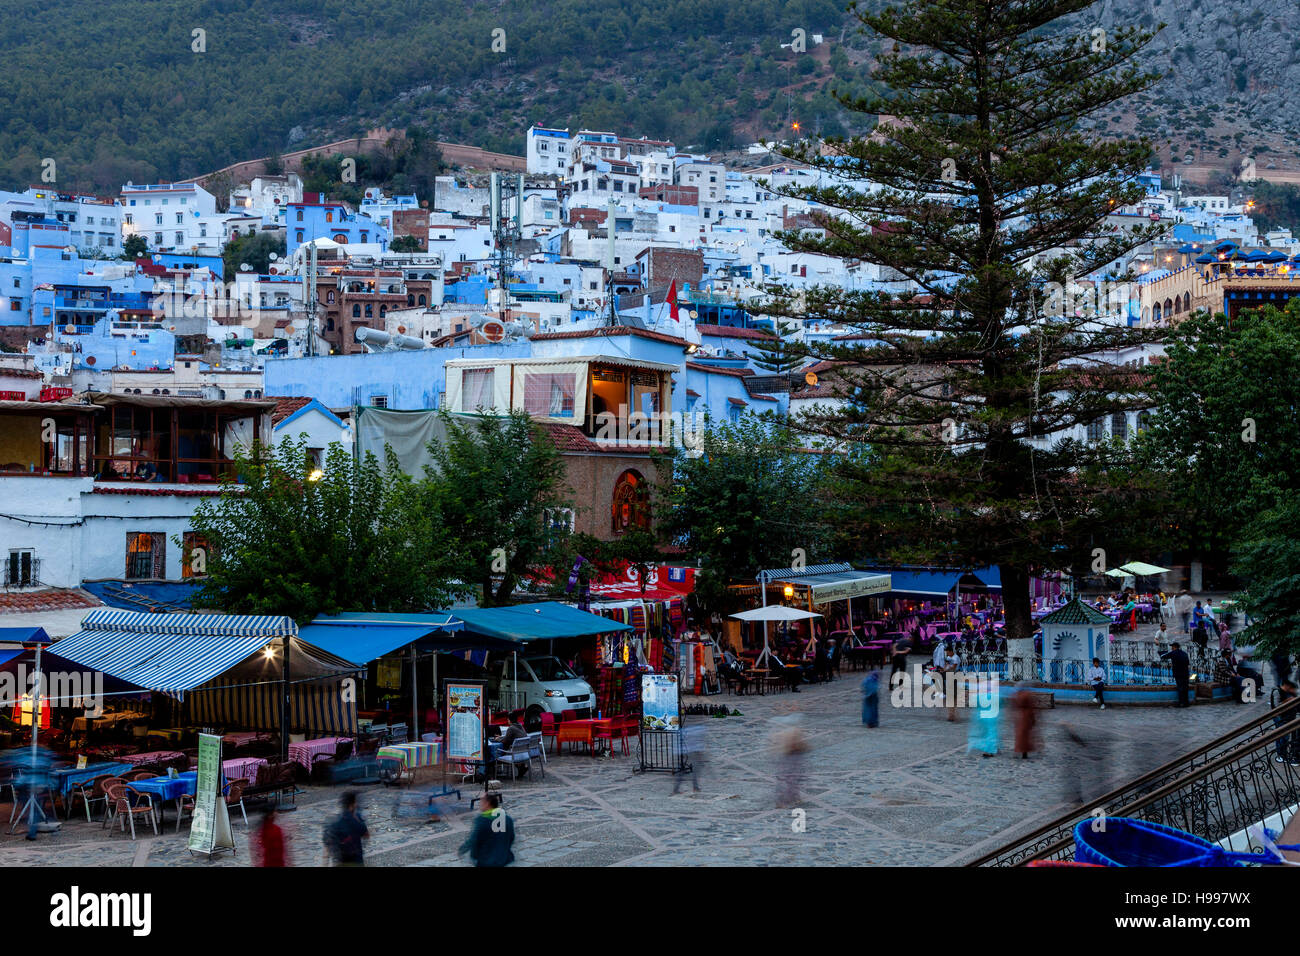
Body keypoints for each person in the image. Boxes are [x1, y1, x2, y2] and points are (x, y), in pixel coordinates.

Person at [458, 793, 516, 866]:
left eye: (481, 802)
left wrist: (463, 850)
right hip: (503, 859)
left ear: (487, 803)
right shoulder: (507, 819)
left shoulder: (482, 820)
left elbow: (474, 839)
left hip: (486, 860)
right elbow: (511, 837)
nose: (480, 804)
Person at [323, 791, 369, 866]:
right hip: (356, 861)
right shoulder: (356, 819)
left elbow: (328, 843)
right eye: (355, 803)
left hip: (340, 862)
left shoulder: (335, 822)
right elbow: (366, 835)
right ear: (352, 805)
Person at [674, 721, 706, 794]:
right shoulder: (696, 729)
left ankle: (694, 787)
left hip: (686, 750)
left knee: (688, 770)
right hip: (689, 751)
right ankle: (678, 789)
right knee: (691, 769)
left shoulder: (687, 728)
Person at [1274, 680, 1299, 766]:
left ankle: (1284, 754)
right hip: (1279, 717)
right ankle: (1280, 754)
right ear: (1286, 686)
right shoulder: (1277, 692)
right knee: (1281, 735)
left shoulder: (1290, 694)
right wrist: (1288, 701)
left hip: (1289, 718)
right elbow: (1276, 706)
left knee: (1286, 737)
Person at [1162, 641, 1191, 707]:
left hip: (1178, 673)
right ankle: (1186, 703)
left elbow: (1164, 656)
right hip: (1185, 673)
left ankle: (1181, 703)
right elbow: (1187, 663)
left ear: (1175, 647)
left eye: (1172, 647)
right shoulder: (1184, 653)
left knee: (1180, 688)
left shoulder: (1173, 653)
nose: (1171, 648)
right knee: (1185, 688)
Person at [1012, 684, 1037, 759]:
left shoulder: (1016, 695)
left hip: (1019, 716)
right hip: (1026, 716)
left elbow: (1014, 705)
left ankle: (1019, 749)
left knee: (1020, 735)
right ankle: (1024, 752)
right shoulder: (1027, 695)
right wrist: (1033, 719)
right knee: (1025, 735)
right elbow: (1031, 707)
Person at [944, 643, 962, 721]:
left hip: (954, 675)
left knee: (952, 695)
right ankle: (951, 714)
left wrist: (945, 669)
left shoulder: (956, 658)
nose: (947, 654)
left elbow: (953, 668)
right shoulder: (949, 657)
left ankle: (953, 714)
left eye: (947, 652)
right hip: (949, 676)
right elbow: (946, 665)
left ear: (951, 651)